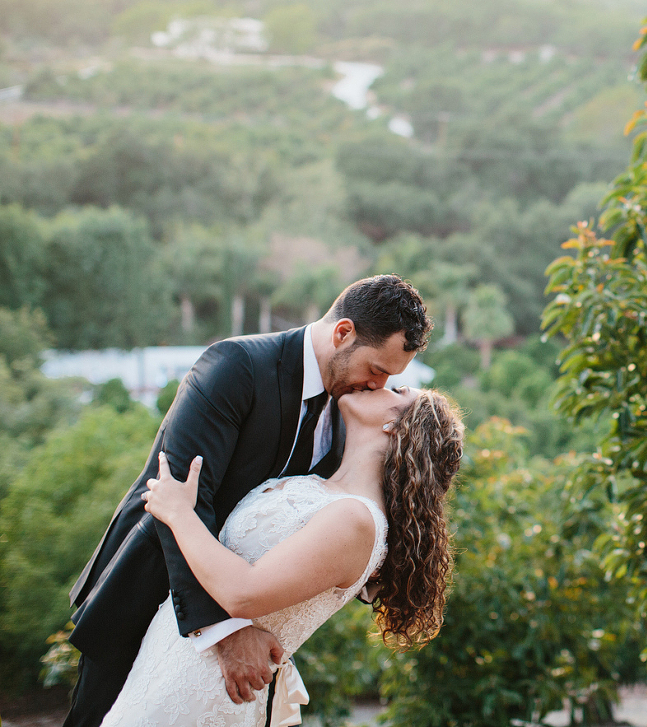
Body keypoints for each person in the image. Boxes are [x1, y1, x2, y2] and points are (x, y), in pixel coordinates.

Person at [64, 275, 432, 727]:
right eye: (376, 370)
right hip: (146, 599)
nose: (377, 385)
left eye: (391, 380)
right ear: (343, 333)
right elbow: (176, 494)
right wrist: (224, 631)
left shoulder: (349, 414)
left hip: (244, 650)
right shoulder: (235, 366)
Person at [100, 385, 464, 727]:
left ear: (396, 426)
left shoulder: (358, 521)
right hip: (170, 660)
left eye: (398, 390)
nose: (379, 384)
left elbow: (243, 592)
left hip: (209, 686)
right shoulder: (319, 485)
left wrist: (179, 514)